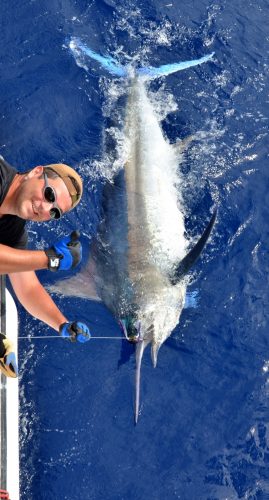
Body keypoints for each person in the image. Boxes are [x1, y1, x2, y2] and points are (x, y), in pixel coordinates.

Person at [0, 155, 91, 378]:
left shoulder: (14, 229)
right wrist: (48, 259)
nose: (45, 209)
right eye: (49, 195)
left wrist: (62, 325)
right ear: (36, 172)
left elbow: (28, 287)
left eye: (54, 212)